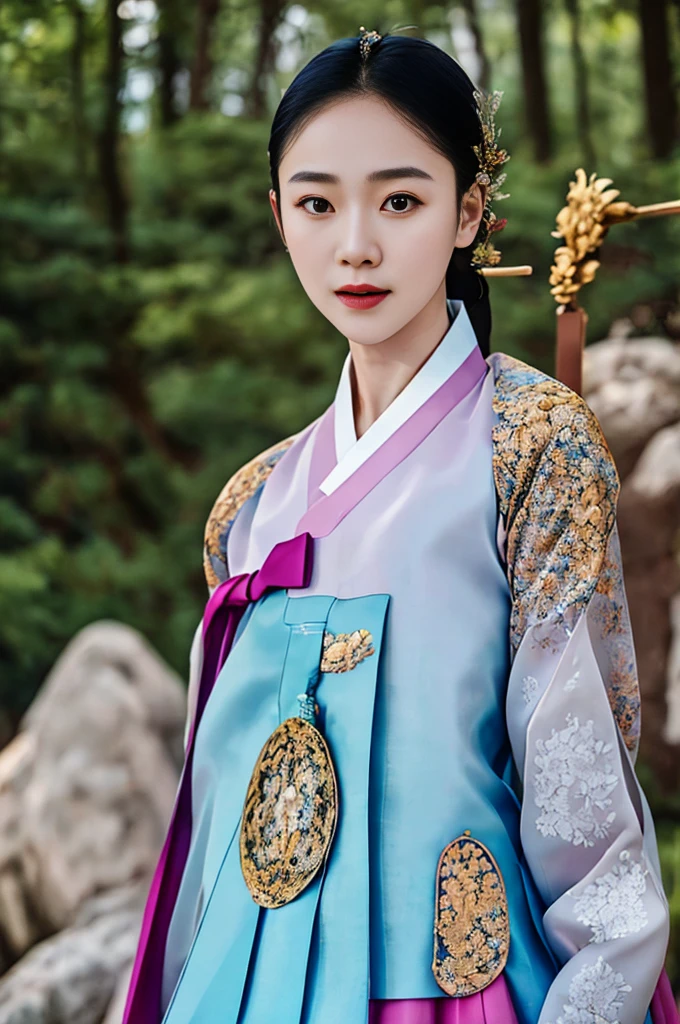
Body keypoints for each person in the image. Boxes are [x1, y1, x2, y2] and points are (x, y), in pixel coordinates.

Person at [122, 29, 677, 1024]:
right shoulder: (249, 507)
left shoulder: (528, 447)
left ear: (468, 209)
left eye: (400, 199)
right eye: (316, 203)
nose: (356, 245)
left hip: (448, 991)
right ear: (278, 218)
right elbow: (211, 830)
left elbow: (581, 803)